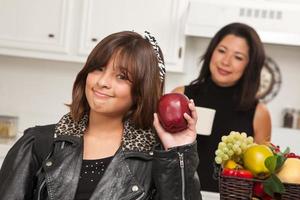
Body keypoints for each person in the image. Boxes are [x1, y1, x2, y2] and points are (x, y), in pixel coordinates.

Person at [0, 31, 202, 200]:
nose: (103, 81)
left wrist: (179, 154)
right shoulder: (39, 144)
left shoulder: (156, 159)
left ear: (141, 91)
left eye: (122, 76)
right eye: (98, 69)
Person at [172, 22, 271, 192]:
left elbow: (263, 175)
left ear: (249, 66)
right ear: (212, 51)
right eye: (222, 51)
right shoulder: (181, 96)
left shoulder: (259, 113)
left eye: (238, 57)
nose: (225, 61)